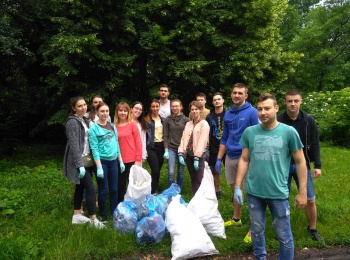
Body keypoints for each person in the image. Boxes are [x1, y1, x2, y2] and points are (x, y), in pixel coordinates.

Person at [234, 93, 307, 260]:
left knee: (284, 235)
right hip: (254, 193)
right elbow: (244, 159)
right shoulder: (250, 132)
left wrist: (302, 192)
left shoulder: (289, 132)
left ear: (276, 108)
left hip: (278, 193)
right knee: (257, 231)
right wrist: (238, 186)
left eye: (267, 108)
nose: (263, 112)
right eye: (259, 109)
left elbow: (301, 162)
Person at [277, 89, 322, 241]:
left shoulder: (308, 120)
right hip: (282, 165)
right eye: (289, 101)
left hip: (302, 164)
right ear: (284, 102)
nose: (293, 104)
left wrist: (318, 165)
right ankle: (282, 230)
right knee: (282, 199)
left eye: (296, 101)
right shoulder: (278, 120)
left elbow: (315, 142)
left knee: (310, 198)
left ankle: (312, 229)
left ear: (301, 101)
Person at [215, 83, 259, 229]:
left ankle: (255, 225)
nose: (236, 95)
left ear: (246, 95)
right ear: (231, 95)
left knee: (252, 192)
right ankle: (236, 219)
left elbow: (257, 135)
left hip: (246, 157)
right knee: (235, 190)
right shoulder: (228, 113)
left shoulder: (252, 112)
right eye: (234, 93)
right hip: (230, 156)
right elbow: (225, 137)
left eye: (240, 93)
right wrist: (219, 158)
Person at [62, 96, 105, 228]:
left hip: (86, 160)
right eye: (80, 106)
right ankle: (93, 219)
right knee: (91, 189)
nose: (83, 107)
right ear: (74, 108)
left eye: (85, 105)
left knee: (80, 187)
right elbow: (74, 145)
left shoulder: (84, 120)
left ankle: (76, 215)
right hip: (78, 161)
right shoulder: (72, 122)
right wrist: (79, 165)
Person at [88, 102, 125, 222]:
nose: (105, 113)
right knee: (103, 189)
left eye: (107, 111)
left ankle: (114, 212)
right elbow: (94, 148)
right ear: (97, 112)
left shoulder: (112, 126)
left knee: (114, 189)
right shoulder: (93, 129)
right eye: (102, 111)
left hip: (114, 162)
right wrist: (98, 166)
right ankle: (103, 215)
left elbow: (116, 144)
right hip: (102, 163)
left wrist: (120, 159)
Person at [178, 101, 210, 194]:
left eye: (196, 109)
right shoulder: (188, 123)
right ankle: (195, 198)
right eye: (192, 109)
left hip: (199, 156)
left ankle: (202, 199)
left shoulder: (204, 124)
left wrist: (197, 157)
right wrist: (181, 153)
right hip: (189, 154)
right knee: (193, 177)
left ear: (200, 110)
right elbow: (183, 139)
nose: (194, 111)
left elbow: (202, 141)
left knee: (199, 178)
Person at [114, 102, 142, 203]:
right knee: (120, 186)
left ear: (128, 112)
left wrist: (138, 160)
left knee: (133, 186)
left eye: (125, 110)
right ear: (117, 112)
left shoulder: (132, 125)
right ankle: (122, 207)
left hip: (131, 160)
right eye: (120, 110)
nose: (123, 112)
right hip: (118, 161)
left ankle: (135, 206)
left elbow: (138, 143)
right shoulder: (113, 126)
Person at [163, 99, 189, 190]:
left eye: (176, 106)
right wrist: (166, 149)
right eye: (173, 106)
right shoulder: (168, 119)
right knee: (171, 172)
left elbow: (188, 135)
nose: (174, 108)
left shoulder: (186, 120)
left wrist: (184, 149)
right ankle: (170, 191)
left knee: (181, 171)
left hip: (182, 149)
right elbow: (165, 135)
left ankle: (178, 190)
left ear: (181, 107)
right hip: (171, 148)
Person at [206, 92, 225, 199]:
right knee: (215, 170)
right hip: (214, 146)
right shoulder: (209, 116)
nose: (217, 101)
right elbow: (208, 132)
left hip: (227, 145)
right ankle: (216, 190)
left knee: (233, 170)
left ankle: (235, 192)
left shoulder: (228, 114)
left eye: (219, 99)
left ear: (223, 100)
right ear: (212, 102)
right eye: (214, 100)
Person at [145, 99, 165, 194]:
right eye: (153, 106)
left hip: (161, 146)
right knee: (155, 170)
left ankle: (152, 186)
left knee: (157, 170)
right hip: (151, 147)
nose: (155, 108)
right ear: (150, 107)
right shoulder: (146, 120)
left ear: (159, 107)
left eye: (157, 106)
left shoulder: (163, 120)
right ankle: (153, 192)